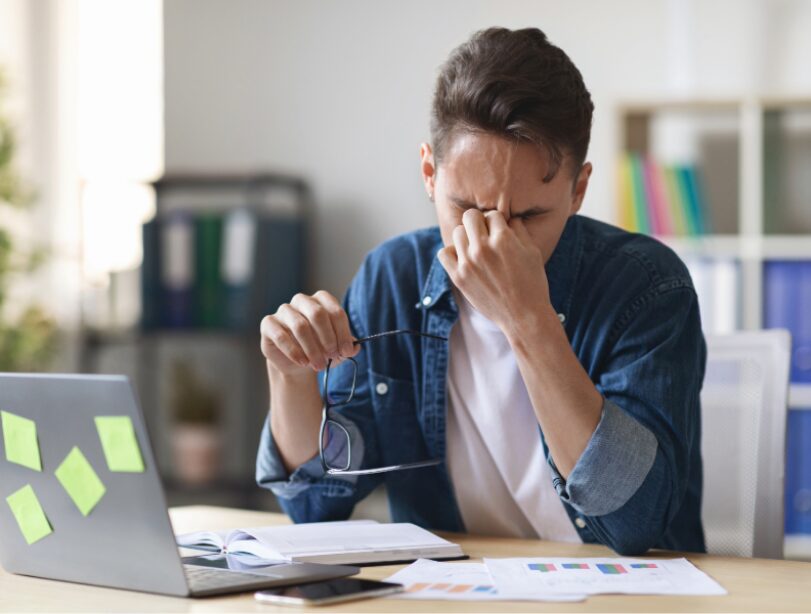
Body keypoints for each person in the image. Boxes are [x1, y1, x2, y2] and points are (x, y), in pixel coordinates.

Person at [256, 27, 706, 556]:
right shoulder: (392, 278)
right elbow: (314, 506)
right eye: (467, 209)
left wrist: (527, 319)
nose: (490, 240)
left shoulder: (648, 288)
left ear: (577, 190)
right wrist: (289, 377)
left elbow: (635, 522)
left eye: (529, 215)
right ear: (429, 172)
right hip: (459, 590)